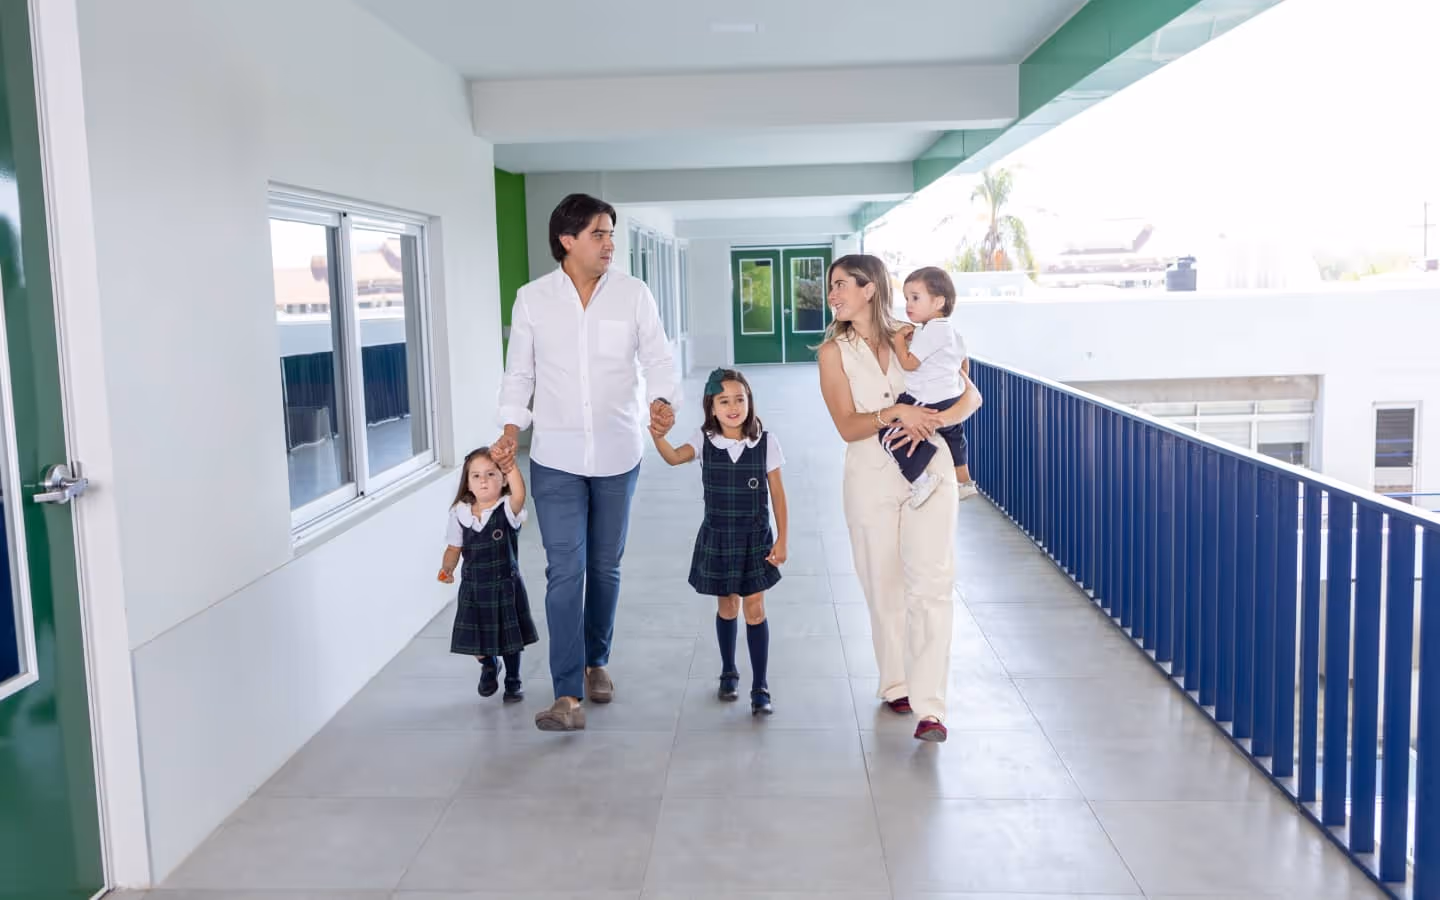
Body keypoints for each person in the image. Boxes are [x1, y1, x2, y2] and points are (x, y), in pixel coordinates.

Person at [492, 193, 677, 732]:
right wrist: (510, 429)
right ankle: (566, 693)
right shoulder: (532, 299)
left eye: (611, 233)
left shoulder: (634, 294)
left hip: (619, 452)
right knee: (564, 571)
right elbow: (519, 373)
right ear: (567, 240)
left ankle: (597, 660)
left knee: (604, 566)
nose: (609, 243)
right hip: (556, 456)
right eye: (598, 234)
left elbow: (658, 358)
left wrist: (662, 401)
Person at [816, 254, 981, 743]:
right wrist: (895, 414)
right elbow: (847, 426)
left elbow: (969, 396)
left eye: (840, 284)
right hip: (870, 477)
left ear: (869, 288)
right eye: (831, 286)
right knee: (883, 586)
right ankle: (897, 684)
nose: (832, 294)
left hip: (930, 468)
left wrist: (933, 420)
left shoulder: (921, 334)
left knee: (932, 583)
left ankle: (932, 709)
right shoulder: (832, 353)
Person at [650, 368, 787, 716]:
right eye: (723, 401)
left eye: (739, 399)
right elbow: (673, 457)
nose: (733, 407)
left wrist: (782, 539)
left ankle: (760, 686)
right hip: (720, 536)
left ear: (749, 402)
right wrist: (658, 437)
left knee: (755, 607)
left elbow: (778, 495)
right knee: (728, 606)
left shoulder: (766, 442)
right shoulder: (703, 440)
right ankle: (729, 670)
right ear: (711, 407)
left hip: (755, 537)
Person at [437, 446, 538, 703]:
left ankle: (513, 680)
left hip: (505, 586)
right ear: (468, 483)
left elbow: (519, 494)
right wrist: (447, 568)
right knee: (475, 638)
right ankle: (489, 664)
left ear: (503, 479)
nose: (483, 480)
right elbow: (454, 548)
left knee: (510, 641)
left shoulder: (507, 509)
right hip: (474, 588)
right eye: (476, 475)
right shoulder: (460, 513)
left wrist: (510, 465)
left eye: (491, 474)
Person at [891, 266, 978, 502]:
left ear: (939, 302)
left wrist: (899, 341)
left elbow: (909, 363)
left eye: (915, 298)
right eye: (906, 298)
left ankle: (921, 479)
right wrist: (954, 386)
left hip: (928, 397)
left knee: (890, 434)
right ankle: (964, 482)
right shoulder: (951, 331)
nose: (908, 304)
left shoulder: (930, 331)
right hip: (951, 396)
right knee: (954, 436)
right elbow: (963, 363)